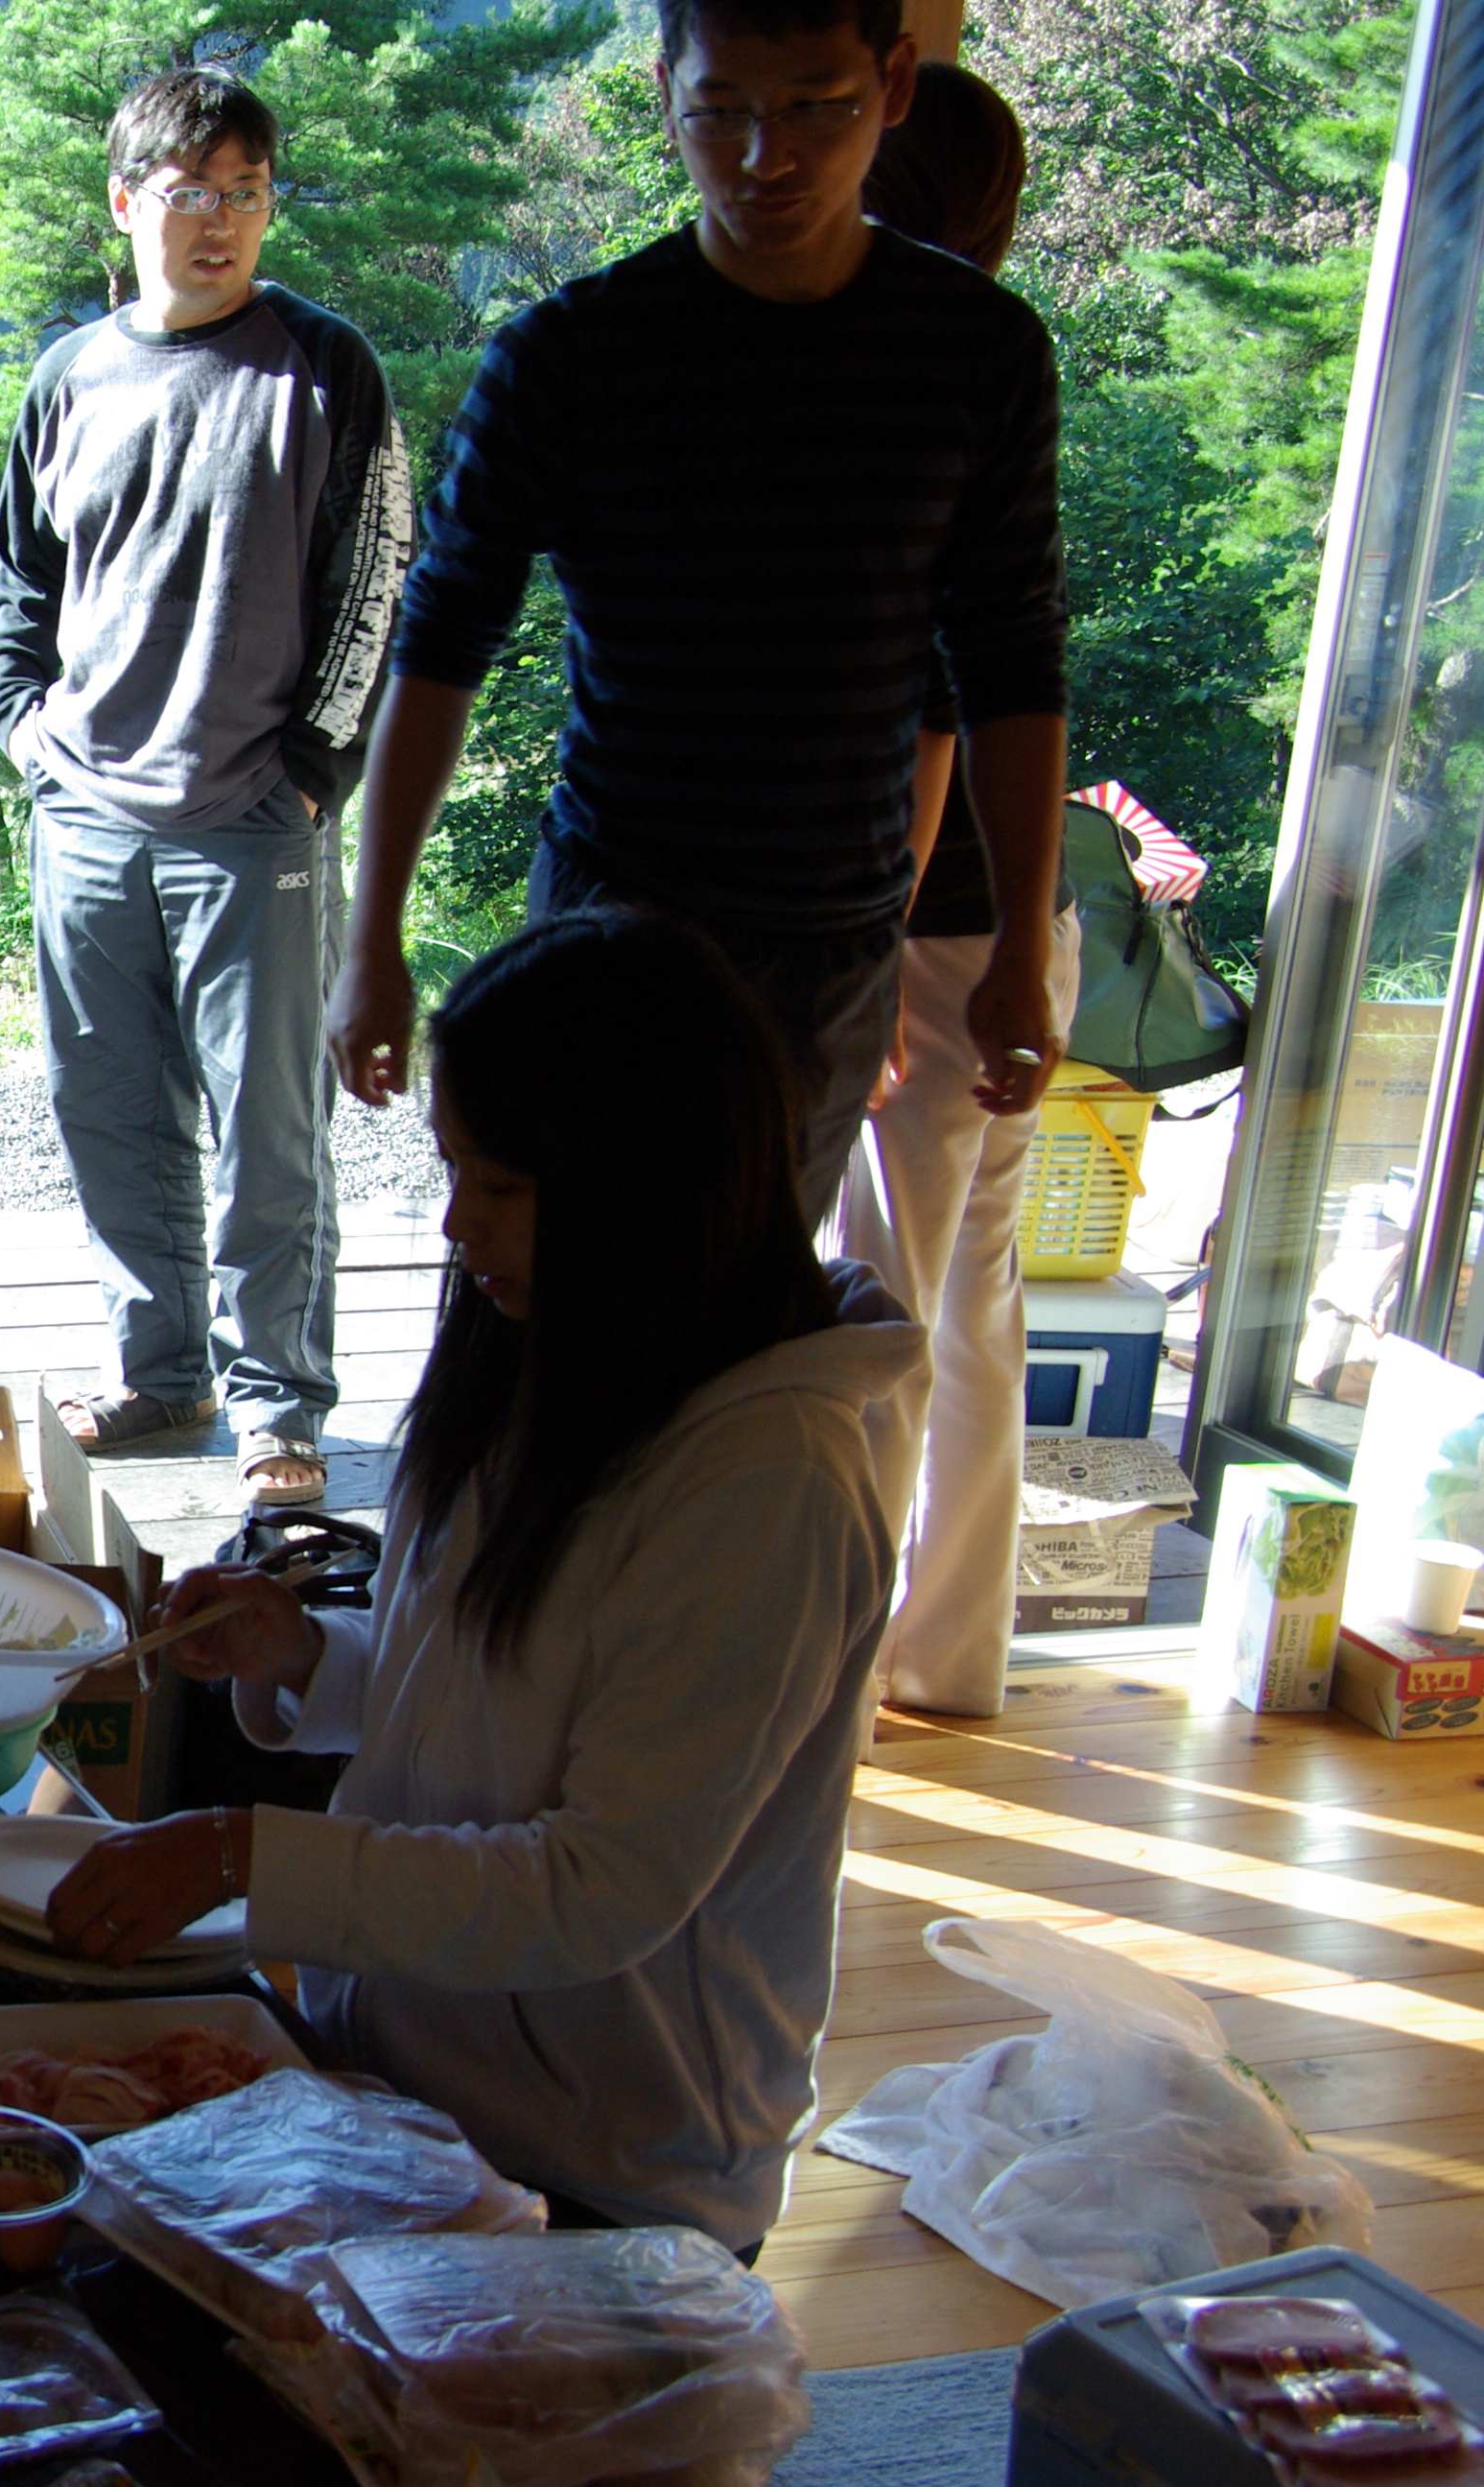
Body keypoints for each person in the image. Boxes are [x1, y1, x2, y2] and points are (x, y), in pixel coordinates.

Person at [46, 913, 919, 2253]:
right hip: (404, 2073)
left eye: (502, 1185)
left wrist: (238, 1853)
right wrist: (307, 1656)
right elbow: (484, 1686)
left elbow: (595, 1887)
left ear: (644, 1187)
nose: (459, 1226)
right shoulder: (547, 1346)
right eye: (453, 1169)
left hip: (607, 2168)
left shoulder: (772, 1484)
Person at [323, 0, 1072, 1233]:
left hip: (829, 940)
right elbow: (440, 644)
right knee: (566, 1271)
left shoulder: (976, 350)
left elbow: (1007, 662)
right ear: (665, 87)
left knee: (752, 1289)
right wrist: (372, 941)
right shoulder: (567, 355)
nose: (764, 157)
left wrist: (1018, 954)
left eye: (814, 109)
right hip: (610, 920)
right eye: (719, 112)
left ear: (891, 84)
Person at [0, 62, 414, 1505]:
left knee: (268, 1131)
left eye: (246, 193)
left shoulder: (324, 368)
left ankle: (278, 1405)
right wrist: (24, 731)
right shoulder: (69, 376)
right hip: (85, 813)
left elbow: (375, 582)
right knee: (109, 1113)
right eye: (189, 193)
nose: (220, 220)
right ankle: (160, 1375)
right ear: (126, 204)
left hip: (250, 819)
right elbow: (21, 588)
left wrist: (312, 774)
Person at [839, 62, 1086, 1718]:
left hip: (927, 930)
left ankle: (839, 1670)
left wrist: (868, 946)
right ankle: (951, 1655)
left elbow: (931, 717)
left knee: (882, 1304)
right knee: (978, 1299)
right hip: (1024, 915)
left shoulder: (916, 377)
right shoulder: (1002, 365)